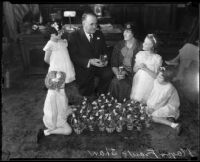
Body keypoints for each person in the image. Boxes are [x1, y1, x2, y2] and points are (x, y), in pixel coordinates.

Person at [37, 24, 75, 143]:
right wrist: (54, 66)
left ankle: (64, 109)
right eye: (56, 33)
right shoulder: (50, 44)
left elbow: (64, 43)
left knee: (62, 92)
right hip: (56, 70)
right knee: (58, 93)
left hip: (61, 71)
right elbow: (46, 59)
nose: (59, 34)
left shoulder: (61, 42)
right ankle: (47, 131)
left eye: (59, 32)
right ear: (51, 35)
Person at [68, 12, 113, 98]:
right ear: (83, 23)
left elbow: (105, 50)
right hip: (84, 66)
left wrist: (105, 59)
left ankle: (100, 92)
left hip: (99, 64)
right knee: (86, 95)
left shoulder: (99, 34)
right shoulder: (74, 36)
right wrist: (89, 61)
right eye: (91, 24)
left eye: (96, 24)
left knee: (109, 72)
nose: (94, 27)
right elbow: (74, 56)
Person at [109, 23, 142, 102]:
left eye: (128, 32)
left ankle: (127, 106)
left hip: (134, 74)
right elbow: (114, 64)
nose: (124, 34)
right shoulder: (119, 45)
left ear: (133, 33)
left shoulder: (140, 46)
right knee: (115, 82)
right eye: (124, 31)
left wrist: (127, 73)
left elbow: (142, 66)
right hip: (121, 72)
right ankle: (114, 105)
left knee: (126, 85)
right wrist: (118, 74)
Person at [146, 66, 181, 135]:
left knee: (152, 117)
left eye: (161, 77)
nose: (158, 78)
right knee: (146, 111)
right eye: (158, 76)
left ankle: (174, 125)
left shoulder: (168, 87)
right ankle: (168, 118)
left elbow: (163, 101)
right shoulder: (156, 81)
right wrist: (150, 106)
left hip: (169, 105)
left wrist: (154, 109)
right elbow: (154, 94)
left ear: (167, 79)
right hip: (158, 104)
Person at [130, 34, 162, 103]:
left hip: (150, 83)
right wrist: (138, 66)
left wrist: (146, 69)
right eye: (144, 42)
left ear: (152, 46)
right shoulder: (140, 54)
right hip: (138, 82)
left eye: (147, 44)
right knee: (137, 101)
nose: (143, 44)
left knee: (146, 102)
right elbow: (134, 70)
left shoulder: (157, 58)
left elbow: (156, 76)